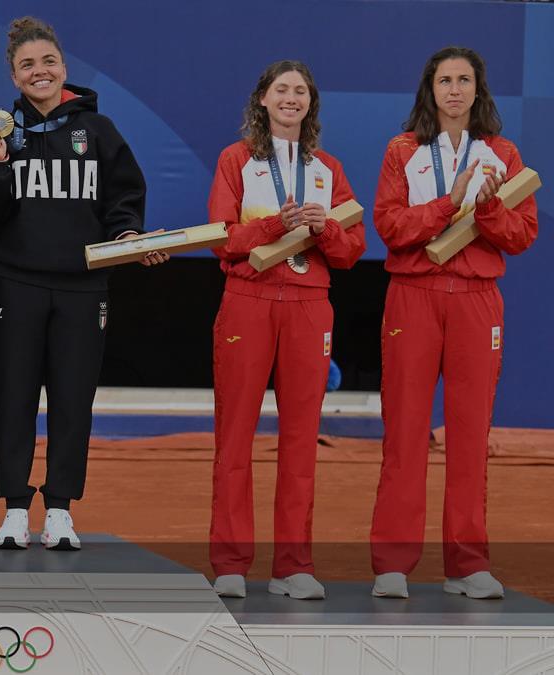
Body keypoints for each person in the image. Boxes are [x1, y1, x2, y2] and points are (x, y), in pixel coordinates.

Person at [0, 16, 164, 552]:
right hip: (14, 283)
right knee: (13, 399)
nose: (40, 71)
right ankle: (14, 510)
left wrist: (128, 235)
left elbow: (124, 199)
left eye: (48, 61)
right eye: (27, 65)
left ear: (64, 68)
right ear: (14, 76)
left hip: (82, 287)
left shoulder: (98, 131)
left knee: (73, 401)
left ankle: (59, 510)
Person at [370, 46, 537, 600]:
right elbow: (391, 226)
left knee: (470, 433)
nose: (455, 90)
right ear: (430, 89)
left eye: (465, 80)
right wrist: (451, 201)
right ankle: (392, 562)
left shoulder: (502, 153)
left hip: (476, 299)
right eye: (445, 80)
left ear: (478, 89)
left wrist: (487, 208)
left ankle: (467, 565)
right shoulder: (403, 150)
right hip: (413, 297)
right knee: (405, 430)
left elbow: (521, 235)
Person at [207, 60, 366, 599]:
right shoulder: (236, 160)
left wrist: (326, 231)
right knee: (235, 435)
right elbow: (222, 237)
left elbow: (353, 249)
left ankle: (293, 566)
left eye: (300, 91)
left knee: (301, 439)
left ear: (310, 103)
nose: (291, 98)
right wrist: (279, 223)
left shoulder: (328, 169)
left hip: (308, 305)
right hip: (248, 301)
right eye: (282, 89)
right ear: (263, 99)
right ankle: (231, 562)